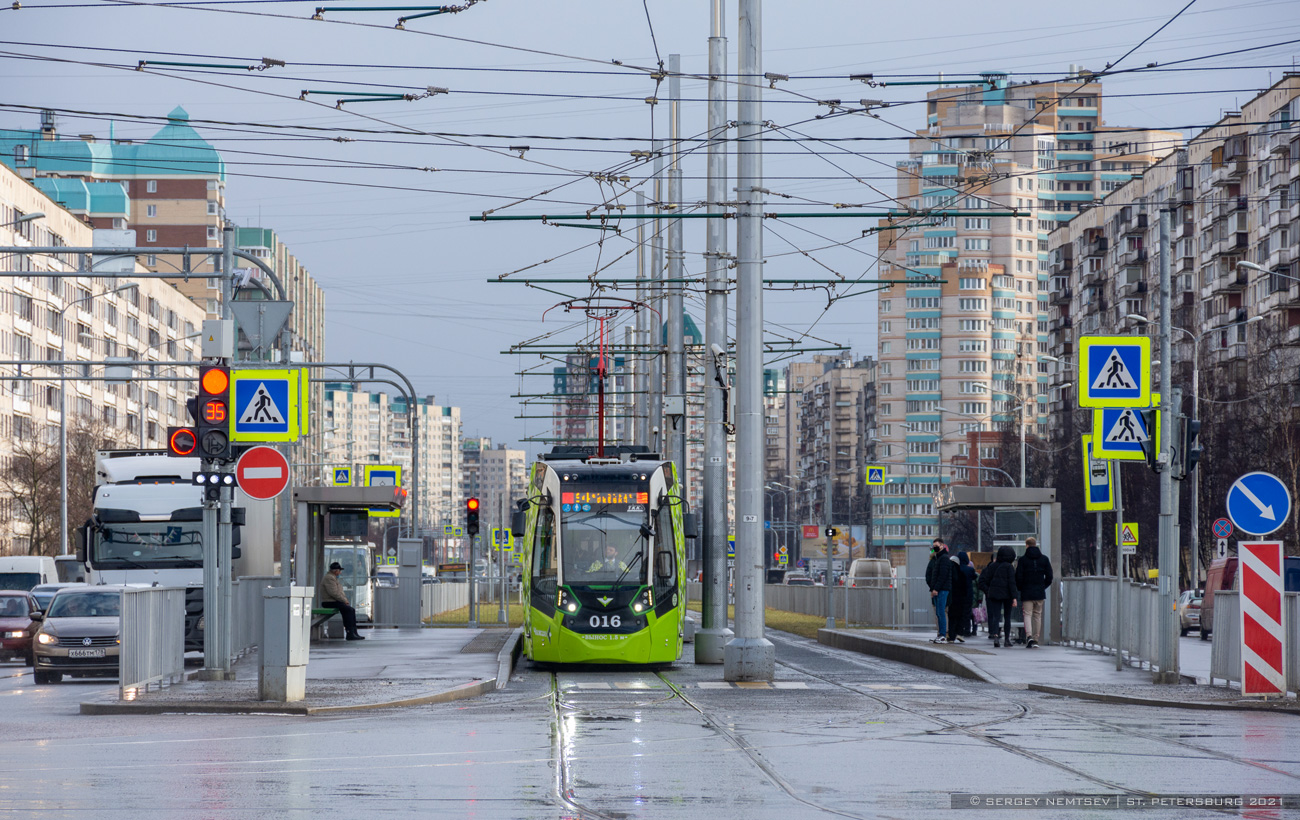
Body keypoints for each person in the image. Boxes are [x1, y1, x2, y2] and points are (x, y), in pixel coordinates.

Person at [1015, 536, 1053, 649]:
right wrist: (1043, 586)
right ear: (1035, 545)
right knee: (1037, 615)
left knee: (1027, 614)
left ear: (1026, 545)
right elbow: (1049, 576)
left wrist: (1021, 588)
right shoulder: (1044, 559)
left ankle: (1029, 636)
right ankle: (1036, 639)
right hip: (1039, 592)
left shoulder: (1022, 560)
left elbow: (1018, 577)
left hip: (1027, 592)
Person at [979, 546, 1019, 648]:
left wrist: (989, 591)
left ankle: (996, 636)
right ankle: (1006, 639)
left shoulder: (992, 566)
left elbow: (986, 580)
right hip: (1007, 595)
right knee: (1007, 617)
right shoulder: (1009, 567)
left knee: (996, 616)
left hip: (995, 594)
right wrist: (1014, 597)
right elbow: (1012, 583)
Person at [320, 561, 364, 641]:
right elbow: (334, 593)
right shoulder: (329, 578)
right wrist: (344, 600)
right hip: (329, 602)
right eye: (339, 571)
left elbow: (339, 592)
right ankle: (350, 633)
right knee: (348, 610)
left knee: (351, 610)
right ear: (336, 571)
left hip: (334, 601)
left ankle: (354, 632)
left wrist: (344, 600)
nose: (340, 573)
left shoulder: (333, 578)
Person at [924, 538, 952, 643]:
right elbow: (934, 576)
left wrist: (935, 589)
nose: (935, 548)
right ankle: (940, 634)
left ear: (942, 545)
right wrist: (933, 589)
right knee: (939, 613)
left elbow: (942, 575)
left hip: (942, 589)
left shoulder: (943, 558)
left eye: (937, 545)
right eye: (934, 546)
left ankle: (942, 634)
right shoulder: (938, 558)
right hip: (938, 589)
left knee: (941, 612)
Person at [945, 550, 969, 644]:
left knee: (951, 617)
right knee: (959, 616)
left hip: (950, 598)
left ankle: (951, 636)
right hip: (960, 599)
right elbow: (965, 588)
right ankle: (959, 633)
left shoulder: (948, 571)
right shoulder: (962, 573)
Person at [954, 551, 978, 638]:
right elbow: (975, 576)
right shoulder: (970, 569)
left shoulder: (956, 568)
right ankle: (967, 630)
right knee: (967, 613)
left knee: (958, 612)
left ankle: (958, 630)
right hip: (968, 593)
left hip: (958, 594)